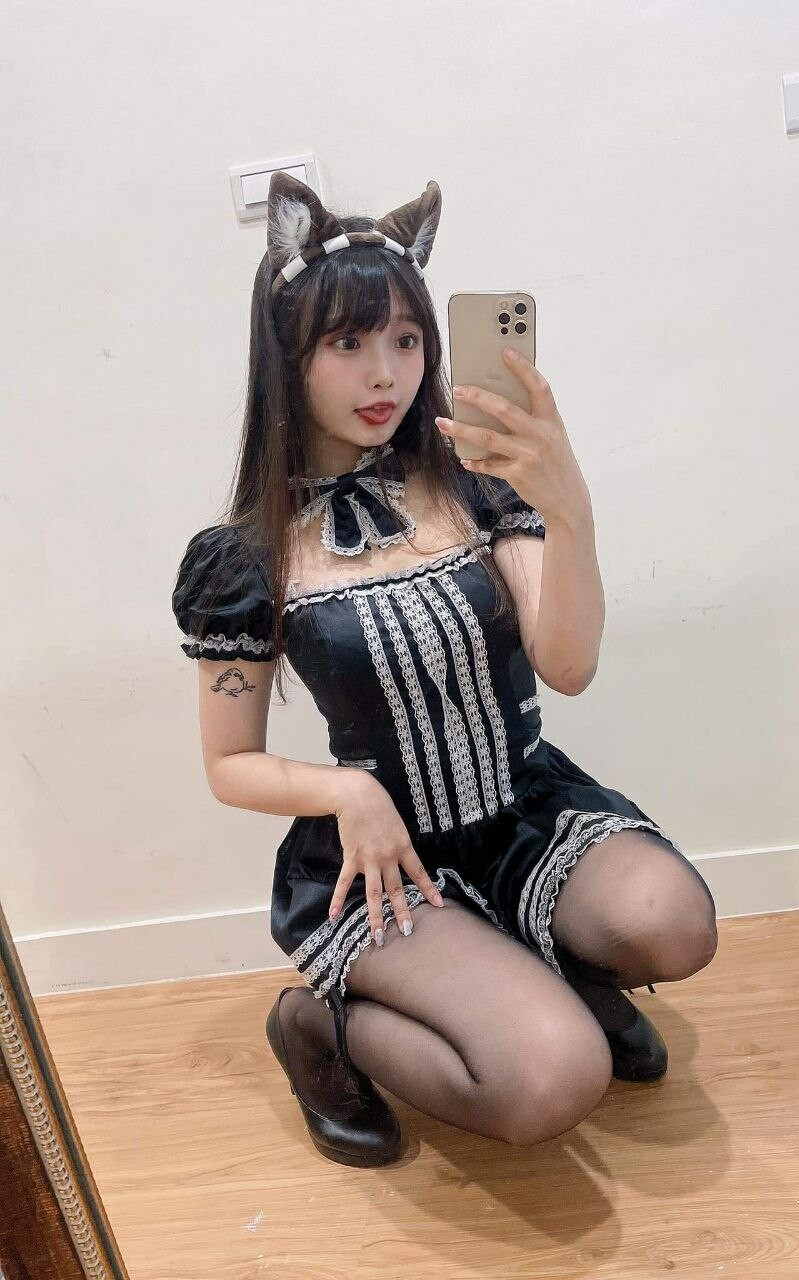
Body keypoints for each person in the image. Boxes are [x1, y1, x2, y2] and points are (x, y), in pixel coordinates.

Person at [171, 171, 719, 1168]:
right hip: (386, 859)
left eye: (407, 340)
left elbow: (569, 665)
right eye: (348, 344)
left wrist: (571, 509)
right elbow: (228, 764)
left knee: (674, 924)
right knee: (553, 1077)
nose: (385, 373)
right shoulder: (243, 559)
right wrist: (346, 791)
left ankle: (544, 960)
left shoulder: (477, 487)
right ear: (288, 356)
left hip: (523, 813)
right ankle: (317, 1025)